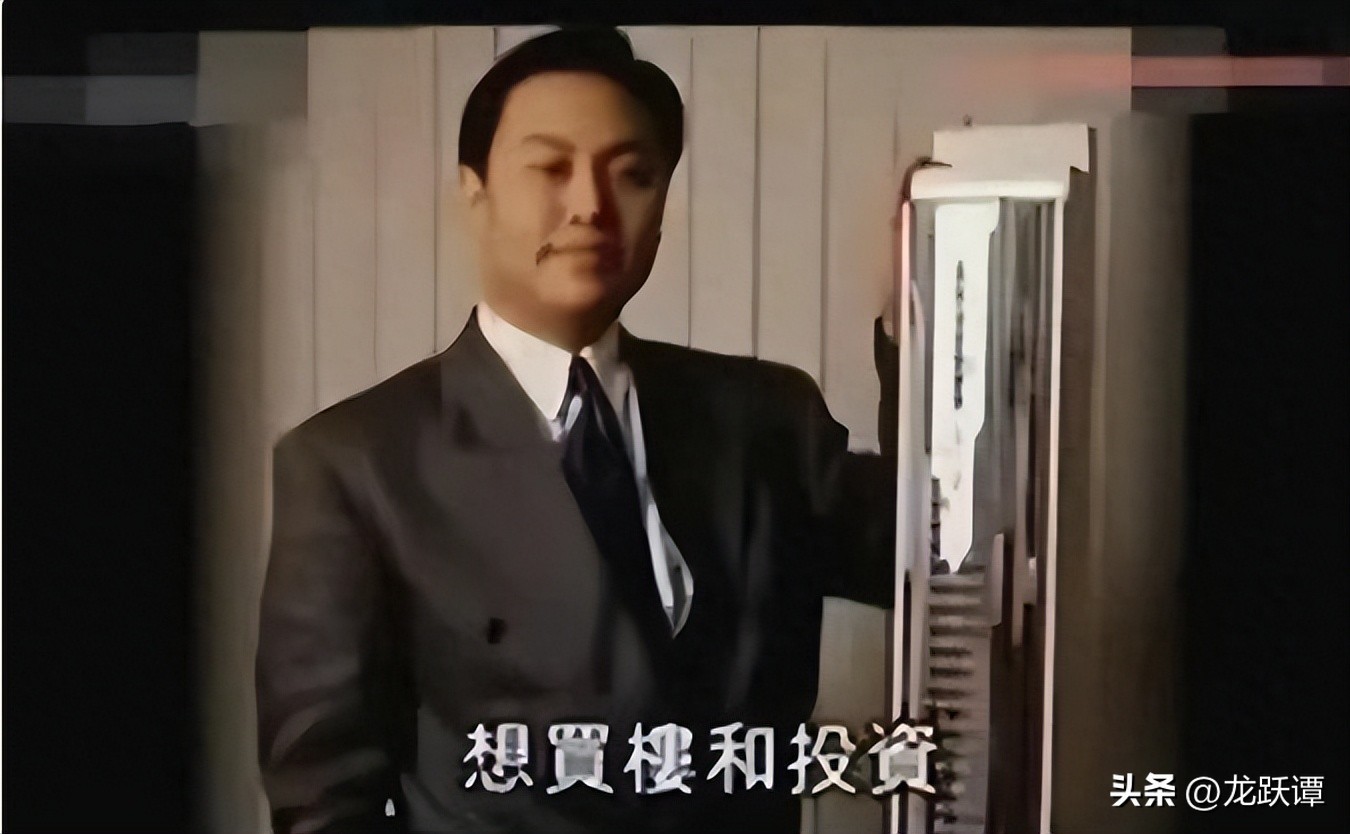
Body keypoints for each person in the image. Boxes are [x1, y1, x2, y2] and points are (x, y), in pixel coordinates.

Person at [257, 26, 896, 834]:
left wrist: (922, 315)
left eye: (632, 174)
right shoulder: (357, 464)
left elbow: (948, 556)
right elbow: (325, 802)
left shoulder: (766, 419)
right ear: (475, 194)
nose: (592, 205)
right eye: (551, 168)